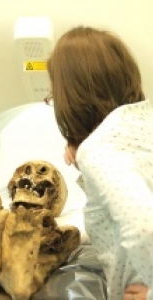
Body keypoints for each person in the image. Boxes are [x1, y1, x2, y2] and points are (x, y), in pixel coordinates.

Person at [47, 26, 153, 300]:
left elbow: (145, 226)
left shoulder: (99, 150)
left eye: (53, 96)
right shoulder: (141, 124)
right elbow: (116, 208)